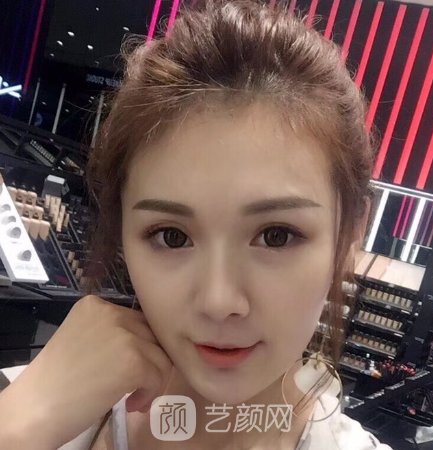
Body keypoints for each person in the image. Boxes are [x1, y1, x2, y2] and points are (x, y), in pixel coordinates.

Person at [0, 0, 393, 448]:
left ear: (351, 231)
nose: (218, 302)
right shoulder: (27, 413)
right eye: (172, 237)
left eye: (276, 236)